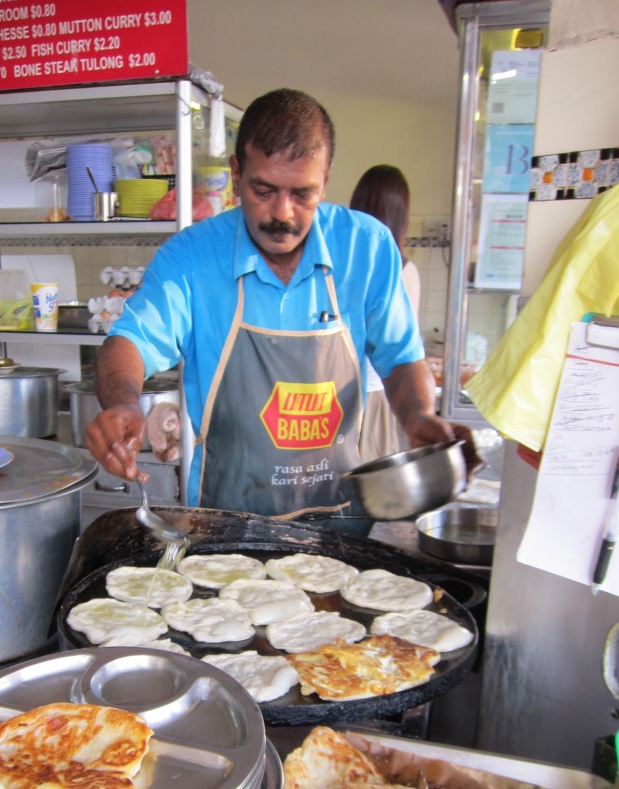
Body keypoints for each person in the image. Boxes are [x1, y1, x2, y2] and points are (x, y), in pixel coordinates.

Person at [86, 88, 455, 519]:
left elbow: (401, 358)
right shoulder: (191, 258)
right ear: (237, 172)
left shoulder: (366, 247)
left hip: (340, 524)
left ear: (327, 179)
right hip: (224, 529)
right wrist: (124, 404)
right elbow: (126, 344)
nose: (282, 213)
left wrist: (418, 417)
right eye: (263, 190)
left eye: (303, 194)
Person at [350, 164, 419, 463]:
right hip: (377, 395)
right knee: (372, 495)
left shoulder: (341, 265)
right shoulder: (404, 271)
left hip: (331, 399)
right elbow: (403, 349)